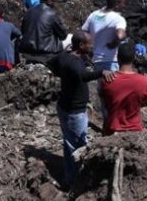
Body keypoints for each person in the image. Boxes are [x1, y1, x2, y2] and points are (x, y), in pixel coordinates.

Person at [50, 31, 115, 188]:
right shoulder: (74, 63)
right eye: (89, 43)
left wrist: (64, 76)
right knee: (79, 146)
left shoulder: (65, 56)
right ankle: (76, 181)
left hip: (65, 106)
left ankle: (70, 177)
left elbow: (51, 64)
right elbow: (83, 75)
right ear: (81, 45)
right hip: (74, 112)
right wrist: (101, 72)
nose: (91, 45)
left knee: (69, 143)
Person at [100, 42, 147, 135]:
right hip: (135, 130)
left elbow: (105, 103)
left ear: (118, 58)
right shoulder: (144, 81)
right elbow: (145, 103)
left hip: (112, 129)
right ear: (134, 58)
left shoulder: (107, 80)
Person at [82, 0, 127, 72]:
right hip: (110, 62)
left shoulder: (93, 15)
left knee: (100, 84)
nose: (123, 6)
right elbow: (120, 35)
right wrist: (114, 44)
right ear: (116, 4)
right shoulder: (118, 19)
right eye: (122, 3)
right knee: (111, 85)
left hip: (96, 60)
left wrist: (89, 47)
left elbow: (83, 33)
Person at [20, 0, 68, 65]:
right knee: (71, 39)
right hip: (46, 53)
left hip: (27, 52)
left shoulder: (29, 12)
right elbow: (63, 35)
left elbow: (23, 31)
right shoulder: (52, 13)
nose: (55, 4)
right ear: (49, 2)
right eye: (54, 1)